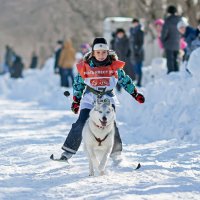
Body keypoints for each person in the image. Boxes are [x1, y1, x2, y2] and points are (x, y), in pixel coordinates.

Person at [59, 37, 145, 161]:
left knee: (110, 124)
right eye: (98, 52)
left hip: (107, 98)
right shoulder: (86, 66)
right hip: (90, 98)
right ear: (93, 52)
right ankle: (68, 152)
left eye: (104, 52)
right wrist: (76, 100)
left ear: (107, 52)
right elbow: (79, 83)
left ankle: (116, 153)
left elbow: (125, 80)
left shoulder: (113, 66)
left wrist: (135, 93)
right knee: (81, 122)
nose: (101, 55)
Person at [161, 5, 181, 73]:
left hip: (169, 44)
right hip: (177, 43)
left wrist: (163, 40)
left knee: (170, 60)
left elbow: (164, 33)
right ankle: (177, 74)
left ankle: (171, 74)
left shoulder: (168, 20)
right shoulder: (179, 20)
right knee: (176, 60)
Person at [129, 18, 144, 87]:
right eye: (133, 23)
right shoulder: (132, 31)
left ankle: (139, 82)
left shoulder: (140, 31)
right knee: (135, 68)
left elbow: (141, 43)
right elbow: (131, 42)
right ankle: (136, 81)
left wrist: (138, 51)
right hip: (133, 53)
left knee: (139, 68)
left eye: (136, 23)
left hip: (139, 53)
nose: (135, 24)